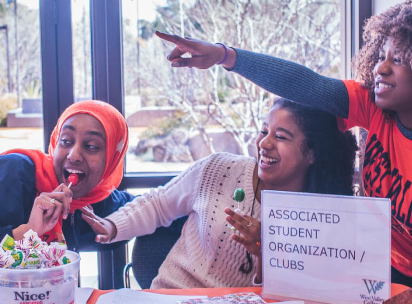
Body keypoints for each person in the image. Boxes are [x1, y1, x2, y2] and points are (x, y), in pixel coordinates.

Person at [155, 0, 412, 304]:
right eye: (382, 55)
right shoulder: (375, 110)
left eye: (397, 60)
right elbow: (305, 84)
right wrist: (225, 56)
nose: (380, 69)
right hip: (396, 257)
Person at [83, 97, 357, 288]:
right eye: (264, 131)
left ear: (312, 153)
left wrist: (266, 250)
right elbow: (158, 204)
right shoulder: (219, 168)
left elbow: (290, 301)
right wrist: (112, 225)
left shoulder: (319, 218)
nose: (264, 143)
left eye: (281, 137)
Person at [0, 100, 134, 251]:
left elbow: (154, 208)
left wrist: (114, 226)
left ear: (112, 160)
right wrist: (27, 232)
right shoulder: (12, 172)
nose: (74, 155)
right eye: (66, 141)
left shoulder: (98, 201)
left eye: (91, 146)